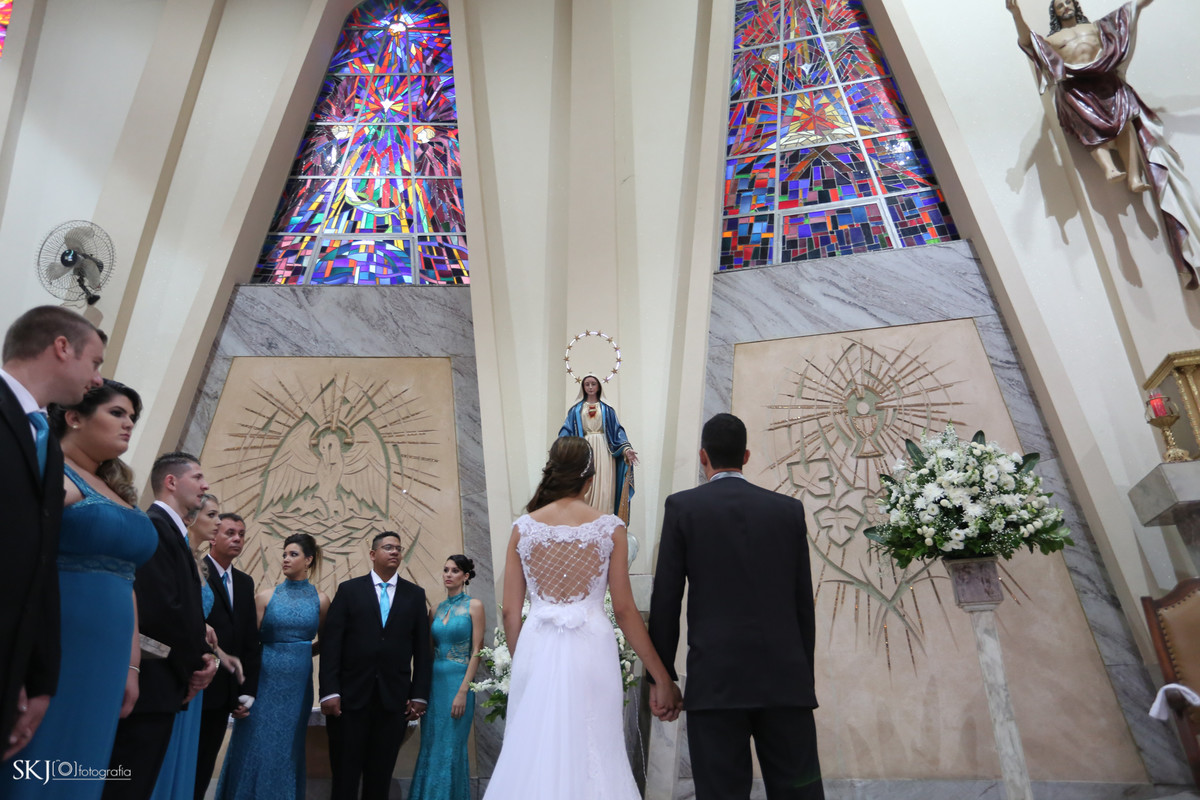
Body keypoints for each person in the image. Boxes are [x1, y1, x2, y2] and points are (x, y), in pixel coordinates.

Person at [483, 437, 681, 799]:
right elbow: (623, 609)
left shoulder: (523, 528)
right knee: (597, 748)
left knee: (532, 749)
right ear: (590, 478)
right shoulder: (609, 528)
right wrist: (661, 676)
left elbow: (510, 611)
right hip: (592, 649)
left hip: (536, 649)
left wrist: (523, 658)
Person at [648, 413, 822, 800]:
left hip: (716, 682)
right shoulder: (788, 510)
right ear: (746, 455)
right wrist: (802, 677)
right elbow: (801, 605)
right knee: (800, 793)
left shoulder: (683, 508)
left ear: (702, 456)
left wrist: (662, 678)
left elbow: (666, 599)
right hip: (786, 682)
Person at [0, 379, 154, 800]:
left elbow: (128, 580)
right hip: (61, 639)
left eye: (133, 419)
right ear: (74, 417)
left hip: (109, 657)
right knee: (38, 753)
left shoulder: (118, 488)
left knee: (82, 763)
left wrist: (132, 665)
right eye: (117, 413)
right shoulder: (51, 471)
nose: (128, 425)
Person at [1007, 0, 1199, 288]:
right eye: (1059, 6)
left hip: (1105, 80)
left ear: (1075, 5)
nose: (1065, 7)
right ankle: (1109, 168)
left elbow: (1130, 10)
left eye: (1068, 2)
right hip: (1075, 88)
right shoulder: (1052, 40)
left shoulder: (1096, 28)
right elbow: (1027, 42)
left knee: (1125, 120)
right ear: (1055, 12)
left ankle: (1133, 175)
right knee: (1085, 124)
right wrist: (1016, 14)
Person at [0, 306, 105, 756]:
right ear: (62, 347)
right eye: (95, 362)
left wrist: (36, 678)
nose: (98, 379)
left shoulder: (45, 443)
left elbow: (40, 562)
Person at [104, 453, 218, 800]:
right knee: (126, 784)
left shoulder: (174, 533)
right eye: (197, 477)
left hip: (164, 683)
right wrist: (197, 661)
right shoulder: (154, 527)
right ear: (171, 482)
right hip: (151, 681)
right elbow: (161, 609)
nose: (205, 485)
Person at [319, 532, 433, 800]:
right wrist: (329, 691)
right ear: (372, 554)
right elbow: (331, 645)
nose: (394, 552)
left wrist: (419, 694)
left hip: (393, 700)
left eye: (398, 548)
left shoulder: (414, 595)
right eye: (388, 547)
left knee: (379, 777)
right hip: (349, 699)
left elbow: (422, 650)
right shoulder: (349, 591)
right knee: (345, 776)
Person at [215, 533, 327, 800]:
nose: (286, 559)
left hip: (298, 686)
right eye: (285, 554)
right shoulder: (266, 596)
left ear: (308, 560)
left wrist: (302, 651)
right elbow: (246, 646)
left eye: (293, 554)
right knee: (254, 744)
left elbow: (328, 641)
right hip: (263, 681)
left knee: (287, 748)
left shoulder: (321, 600)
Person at [150, 495, 244, 800]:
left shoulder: (195, 564)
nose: (219, 522)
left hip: (199, 667)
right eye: (213, 515)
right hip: (175, 667)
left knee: (191, 765)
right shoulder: (178, 556)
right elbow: (166, 611)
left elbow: (197, 621)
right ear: (192, 517)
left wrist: (222, 656)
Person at [408, 555, 485, 800]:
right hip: (435, 685)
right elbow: (427, 653)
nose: (448, 574)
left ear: (466, 576)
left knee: (451, 747)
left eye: (455, 571)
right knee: (431, 745)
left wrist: (464, 690)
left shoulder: (475, 606)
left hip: (458, 682)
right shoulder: (435, 609)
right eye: (445, 570)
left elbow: (477, 651)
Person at [195, 513, 260, 800]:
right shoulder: (197, 571)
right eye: (230, 533)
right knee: (188, 760)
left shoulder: (245, 583)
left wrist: (245, 691)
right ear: (213, 537)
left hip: (225, 693)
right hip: (196, 681)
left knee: (205, 764)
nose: (237, 539)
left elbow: (247, 640)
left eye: (242, 534)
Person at [558, 375, 638, 522]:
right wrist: (560, 447)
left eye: (593, 384)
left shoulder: (607, 410)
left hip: (605, 451)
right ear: (582, 386)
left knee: (605, 489)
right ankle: (584, 521)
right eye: (587, 384)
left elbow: (617, 432)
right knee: (585, 486)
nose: (590, 387)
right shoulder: (576, 410)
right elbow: (566, 431)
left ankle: (604, 522)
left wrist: (626, 450)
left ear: (599, 386)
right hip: (583, 451)